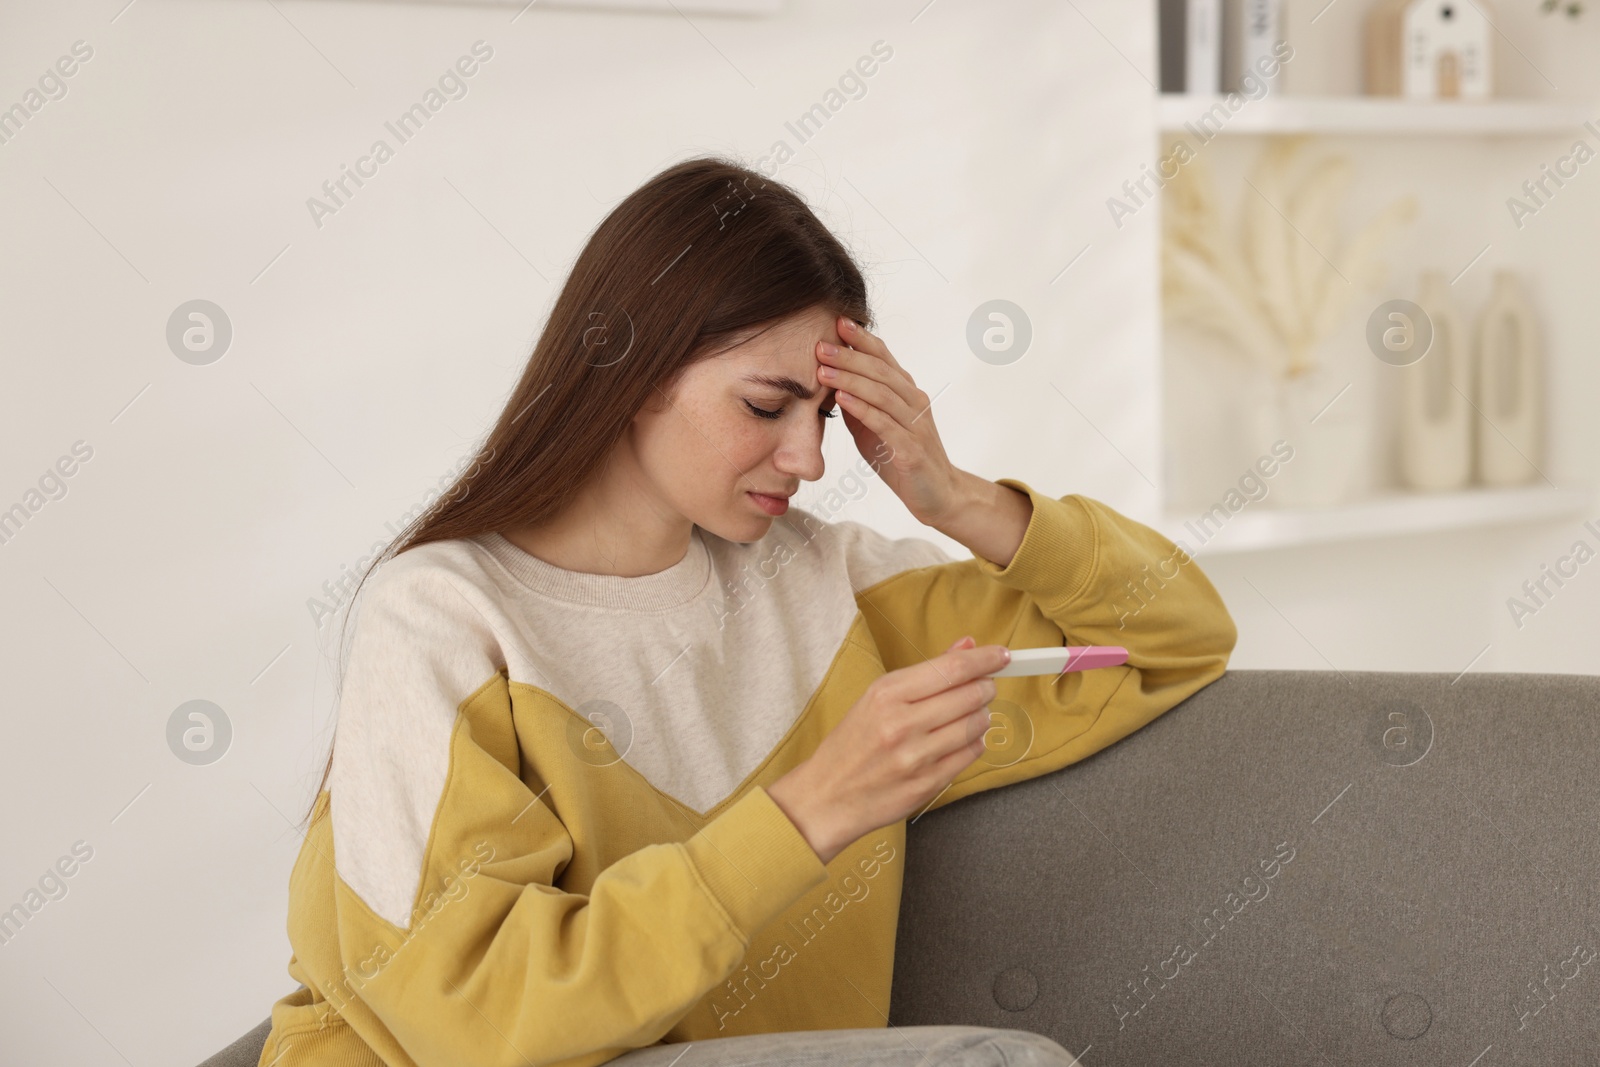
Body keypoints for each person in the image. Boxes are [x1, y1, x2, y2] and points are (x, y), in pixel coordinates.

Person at [257, 156, 1237, 1067]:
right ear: (629, 371)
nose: (810, 460)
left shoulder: (833, 589)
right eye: (768, 406)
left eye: (827, 415)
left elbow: (1171, 637)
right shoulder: (440, 617)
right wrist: (816, 805)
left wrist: (954, 495)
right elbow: (466, 1011)